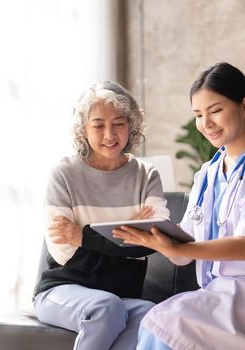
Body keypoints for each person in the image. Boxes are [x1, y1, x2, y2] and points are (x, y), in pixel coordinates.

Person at [113, 62, 245, 350]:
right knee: (159, 323)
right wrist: (157, 237)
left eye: (215, 111)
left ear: (244, 105)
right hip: (228, 293)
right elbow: (183, 256)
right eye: (198, 115)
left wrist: (180, 248)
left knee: (165, 324)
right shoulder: (207, 174)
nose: (206, 123)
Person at [33, 81, 170, 350]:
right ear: (83, 130)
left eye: (119, 123)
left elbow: (153, 240)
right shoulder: (64, 174)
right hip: (62, 291)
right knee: (106, 307)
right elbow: (64, 253)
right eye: (98, 125)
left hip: (121, 296)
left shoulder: (146, 175)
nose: (109, 134)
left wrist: (83, 237)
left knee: (153, 316)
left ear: (131, 125)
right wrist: (127, 234)